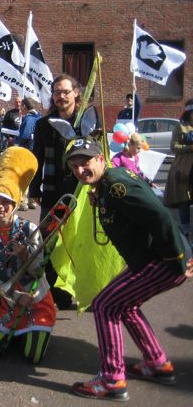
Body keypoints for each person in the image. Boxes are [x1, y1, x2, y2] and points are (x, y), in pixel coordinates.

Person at [65, 137, 193, 402]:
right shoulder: (107, 184)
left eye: (85, 162)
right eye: (74, 166)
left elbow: (160, 214)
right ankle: (157, 363)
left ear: (101, 159)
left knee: (104, 305)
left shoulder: (115, 185)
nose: (80, 170)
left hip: (165, 260)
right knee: (125, 305)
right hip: (151, 259)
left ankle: (112, 379)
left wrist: (179, 258)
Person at [0, 147, 56, 363]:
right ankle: (13, 335)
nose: (0, 207)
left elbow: (39, 270)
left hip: (35, 300)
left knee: (33, 357)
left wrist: (24, 255)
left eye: (5, 202)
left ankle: (30, 334)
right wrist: (12, 296)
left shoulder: (29, 229)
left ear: (14, 204)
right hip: (8, 302)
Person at [29, 74, 99, 309]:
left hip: (83, 192)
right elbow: (36, 157)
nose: (61, 96)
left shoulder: (87, 122)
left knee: (81, 242)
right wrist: (34, 187)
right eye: (57, 92)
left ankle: (85, 290)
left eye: (65, 91)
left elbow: (100, 156)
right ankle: (54, 293)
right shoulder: (43, 125)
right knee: (50, 242)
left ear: (76, 93)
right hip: (53, 191)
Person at [164, 99, 193, 237]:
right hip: (184, 169)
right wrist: (189, 147)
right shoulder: (180, 128)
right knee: (184, 200)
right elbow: (173, 147)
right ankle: (185, 230)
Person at [15, 97, 41, 210]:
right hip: (36, 151)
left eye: (22, 106)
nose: (20, 108)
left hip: (27, 150)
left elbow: (25, 135)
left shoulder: (29, 119)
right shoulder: (39, 117)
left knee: (25, 176)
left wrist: (16, 142)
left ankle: (23, 202)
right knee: (33, 175)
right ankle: (32, 201)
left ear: (25, 106)